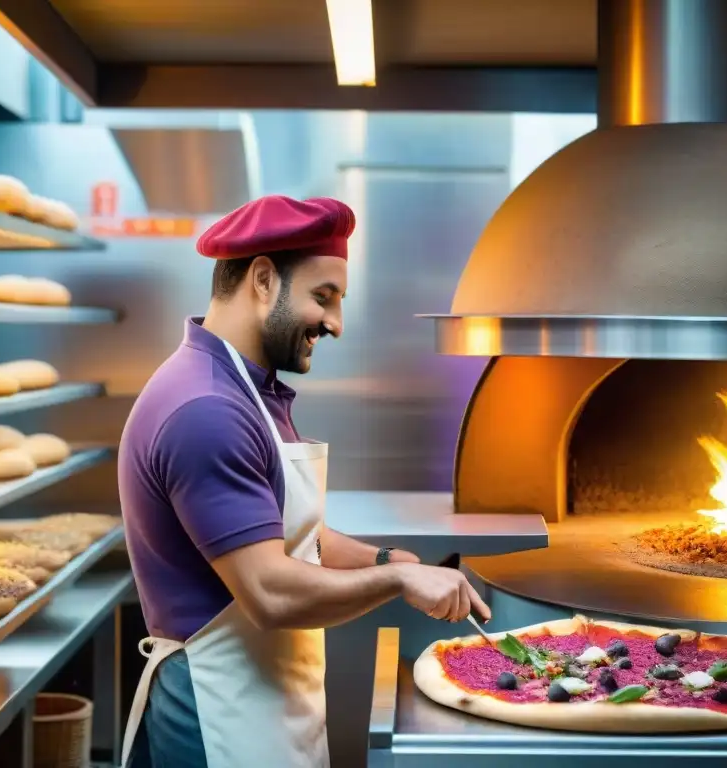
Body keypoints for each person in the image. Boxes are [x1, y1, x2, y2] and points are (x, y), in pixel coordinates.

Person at [117, 195, 490, 768]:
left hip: (265, 704)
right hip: (216, 720)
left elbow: (294, 537)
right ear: (264, 280)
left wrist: (385, 558)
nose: (336, 324)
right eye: (324, 297)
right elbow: (269, 590)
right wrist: (397, 581)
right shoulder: (206, 409)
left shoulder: (246, 390)